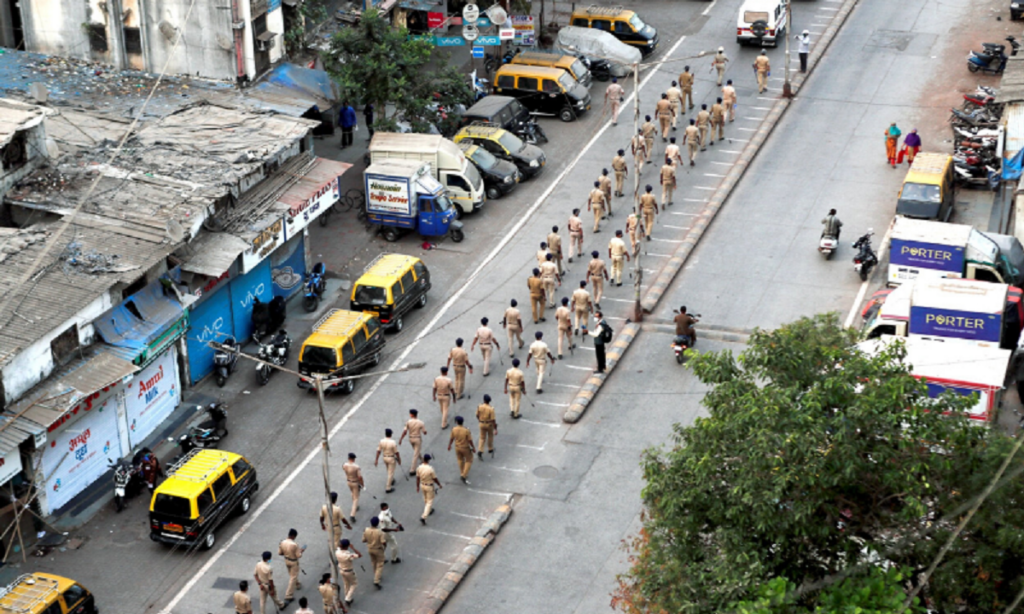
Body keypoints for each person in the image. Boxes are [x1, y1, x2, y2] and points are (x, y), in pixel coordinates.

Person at [278, 528, 305, 602]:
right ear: (293, 536)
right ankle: (288, 595)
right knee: (293, 577)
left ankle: (297, 584)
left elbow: (280, 553)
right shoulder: (294, 544)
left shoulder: (282, 542)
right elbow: (298, 555)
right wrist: (301, 551)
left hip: (286, 560)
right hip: (293, 562)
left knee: (292, 574)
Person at [448, 416, 476, 483]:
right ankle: (464, 474)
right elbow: (470, 440)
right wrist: (473, 447)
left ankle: (462, 472)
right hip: (465, 447)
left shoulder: (453, 429)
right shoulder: (466, 430)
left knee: (460, 460)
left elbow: (452, 438)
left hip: (457, 447)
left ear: (456, 422)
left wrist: (449, 445)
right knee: (469, 460)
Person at [399, 409, 427, 475]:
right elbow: (424, 432)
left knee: (416, 451)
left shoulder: (408, 422)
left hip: (411, 439)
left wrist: (401, 439)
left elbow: (405, 431)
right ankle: (412, 470)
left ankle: (422, 460)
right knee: (415, 454)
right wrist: (424, 432)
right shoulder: (420, 422)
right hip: (417, 439)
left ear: (412, 414)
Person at [415, 454, 442, 523]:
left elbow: (418, 478)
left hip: (422, 484)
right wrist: (439, 484)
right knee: (430, 501)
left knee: (425, 498)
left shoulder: (419, 467)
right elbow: (434, 478)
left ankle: (429, 510)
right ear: (428, 460)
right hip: (429, 486)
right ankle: (424, 516)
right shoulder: (430, 469)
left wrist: (417, 486)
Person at [362, 517, 387, 589]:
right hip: (378, 549)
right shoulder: (379, 532)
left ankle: (376, 574)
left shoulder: (366, 530)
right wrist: (384, 546)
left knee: (374, 562)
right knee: (380, 564)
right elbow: (383, 542)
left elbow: (363, 540)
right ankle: (376, 580)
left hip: (370, 548)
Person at [374, 428, 401, 493]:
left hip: (385, 457)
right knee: (390, 472)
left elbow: (378, 451)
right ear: (390, 434)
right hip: (391, 458)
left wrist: (376, 459)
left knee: (388, 470)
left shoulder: (381, 441)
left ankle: (391, 480)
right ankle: (388, 487)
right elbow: (396, 452)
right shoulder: (392, 442)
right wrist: (399, 459)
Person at [335, 539, 361, 606]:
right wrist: (353, 548)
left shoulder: (337, 552)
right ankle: (347, 598)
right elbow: (359, 555)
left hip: (341, 570)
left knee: (346, 583)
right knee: (354, 584)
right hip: (349, 571)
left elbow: (338, 546)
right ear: (347, 546)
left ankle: (347, 596)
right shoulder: (348, 555)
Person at [342, 453, 363, 522]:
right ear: (353, 459)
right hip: (355, 482)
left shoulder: (345, 465)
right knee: (356, 498)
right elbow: (360, 477)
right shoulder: (356, 467)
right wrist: (362, 484)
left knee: (353, 493)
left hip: (348, 481)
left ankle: (355, 506)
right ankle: (352, 514)